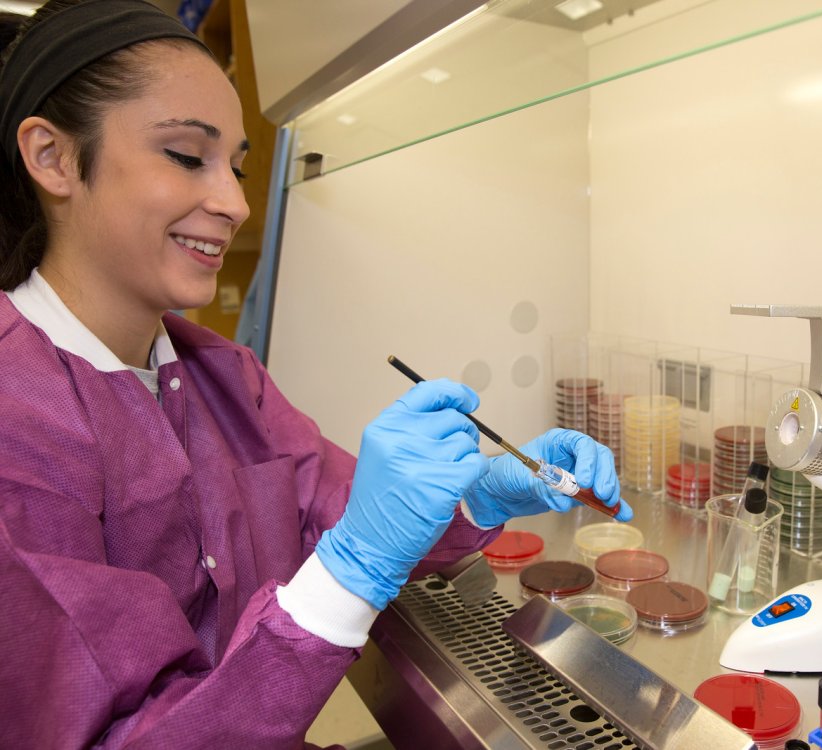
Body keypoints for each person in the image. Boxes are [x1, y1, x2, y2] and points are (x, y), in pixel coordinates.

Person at [0, 2, 632, 748]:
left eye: (236, 166)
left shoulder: (222, 373)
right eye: (184, 156)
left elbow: (343, 516)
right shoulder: (18, 419)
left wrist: (474, 496)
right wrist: (356, 563)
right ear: (52, 158)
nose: (235, 203)